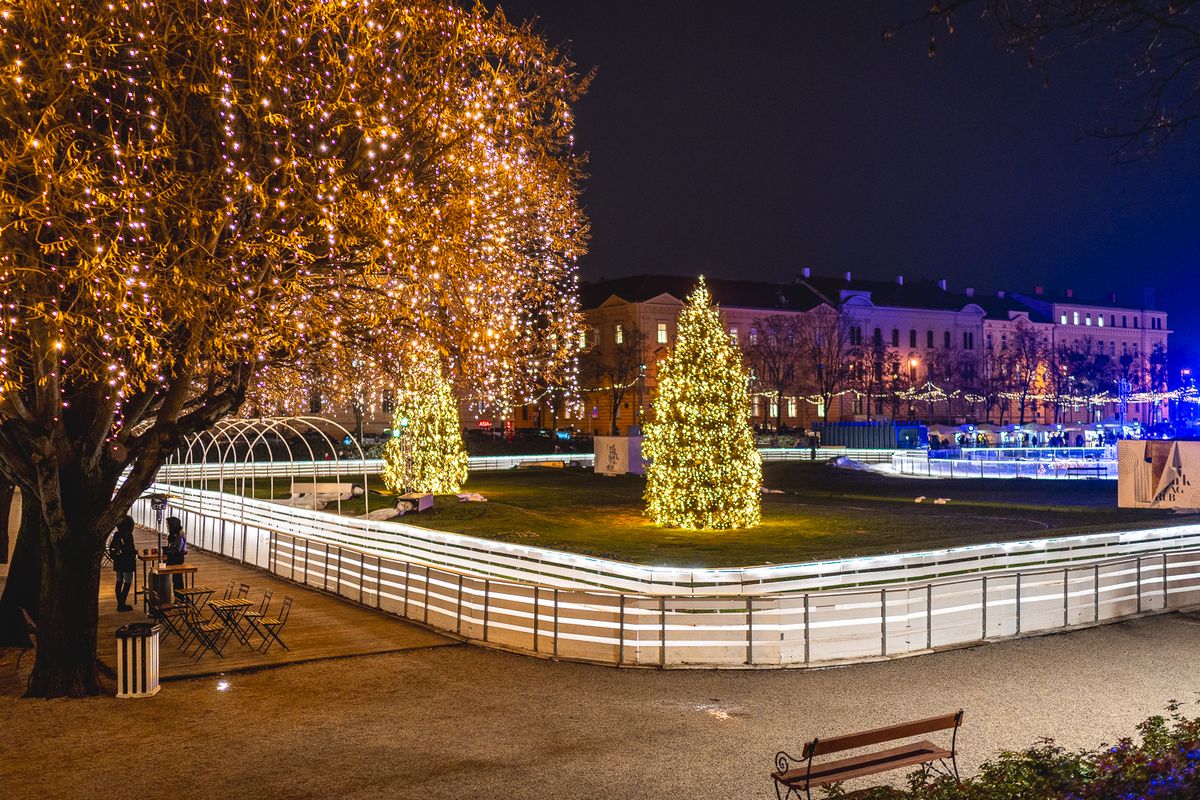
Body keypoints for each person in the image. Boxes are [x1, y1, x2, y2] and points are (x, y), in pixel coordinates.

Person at [108, 516, 137, 611]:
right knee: (127, 582)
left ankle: (120, 604)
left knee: (119, 581)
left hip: (118, 561)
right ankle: (122, 604)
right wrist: (135, 553)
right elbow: (130, 549)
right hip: (127, 562)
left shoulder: (117, 534)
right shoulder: (128, 535)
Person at [164, 516, 188, 593]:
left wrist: (166, 551)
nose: (167, 526)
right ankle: (178, 595)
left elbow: (177, 550)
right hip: (173, 557)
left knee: (177, 579)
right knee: (176, 579)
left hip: (177, 559)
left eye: (168, 524)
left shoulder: (179, 535)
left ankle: (179, 596)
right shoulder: (173, 533)